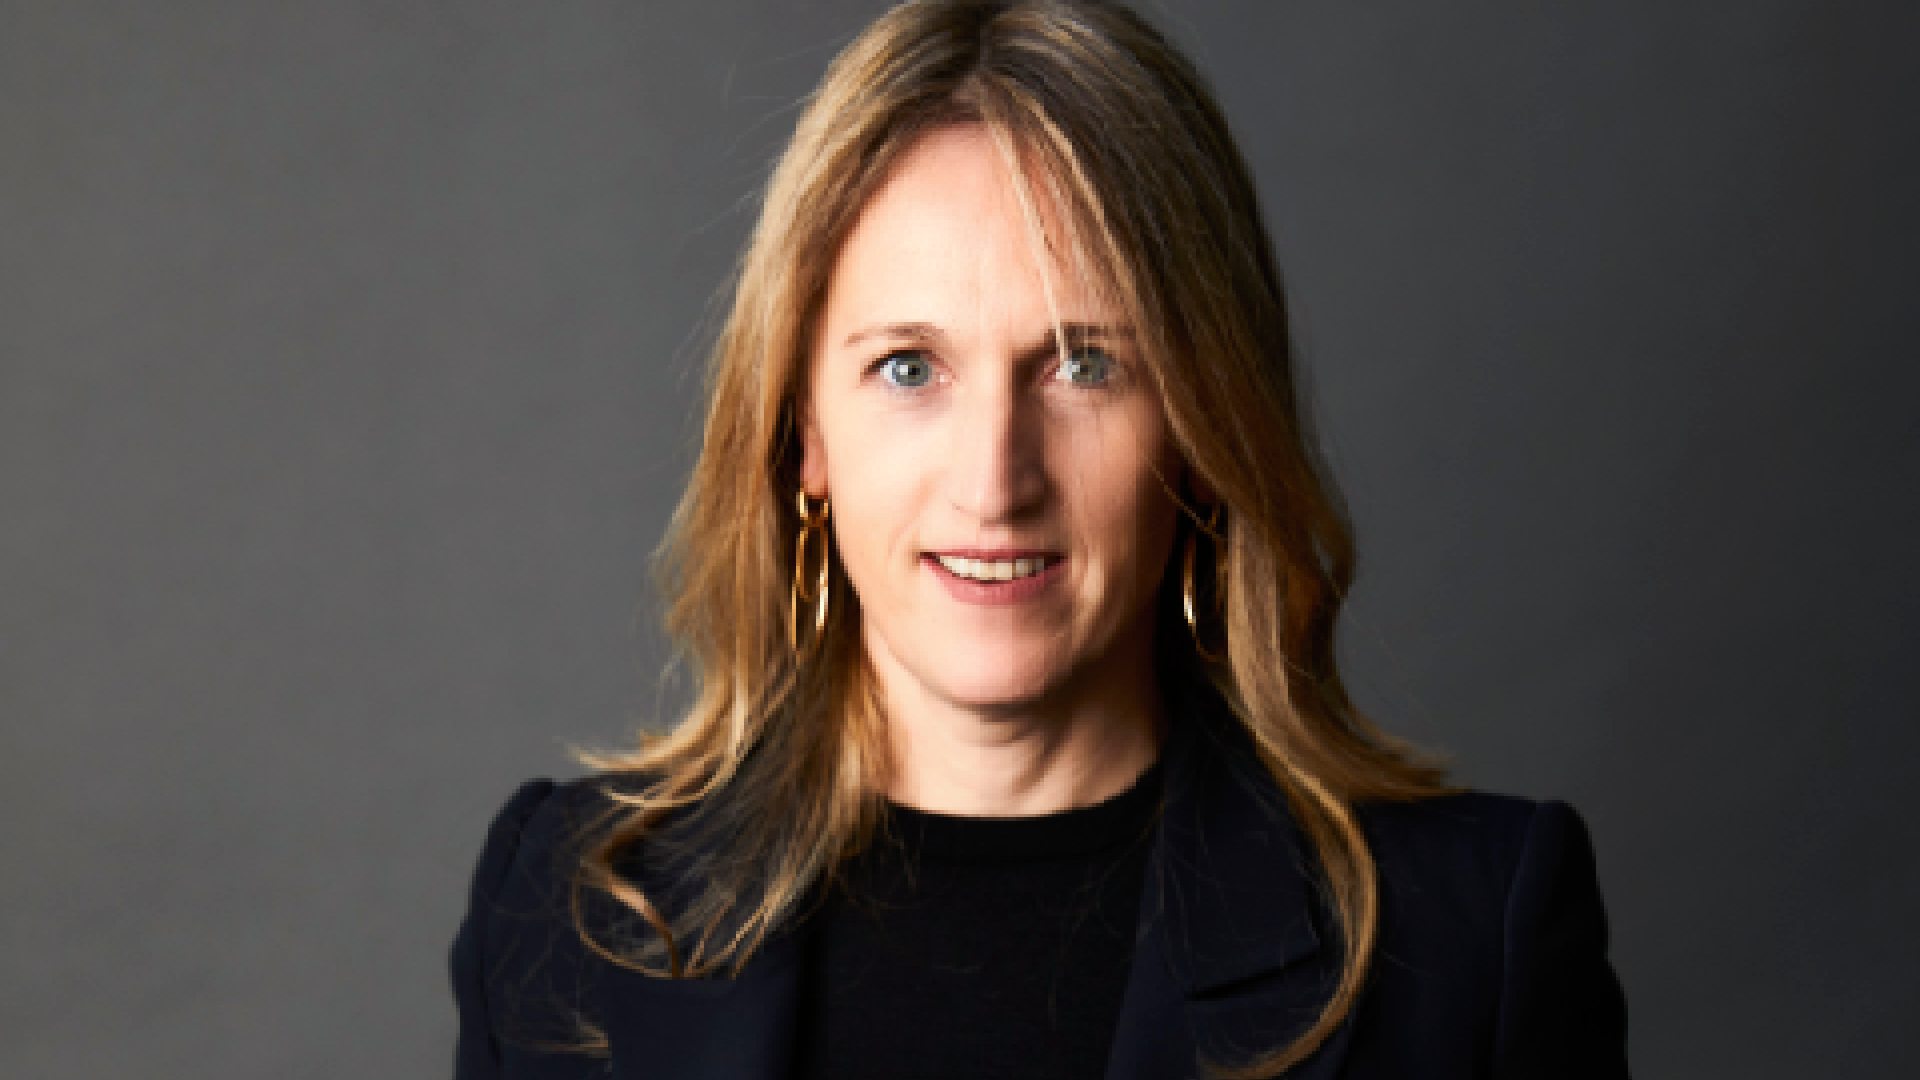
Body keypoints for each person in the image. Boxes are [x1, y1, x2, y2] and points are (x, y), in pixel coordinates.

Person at [449, 2, 1631, 1077]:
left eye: (1084, 364)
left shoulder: (1468, 938)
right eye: (908, 368)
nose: (993, 481)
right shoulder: (566, 913)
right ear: (803, 430)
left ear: (1202, 422)